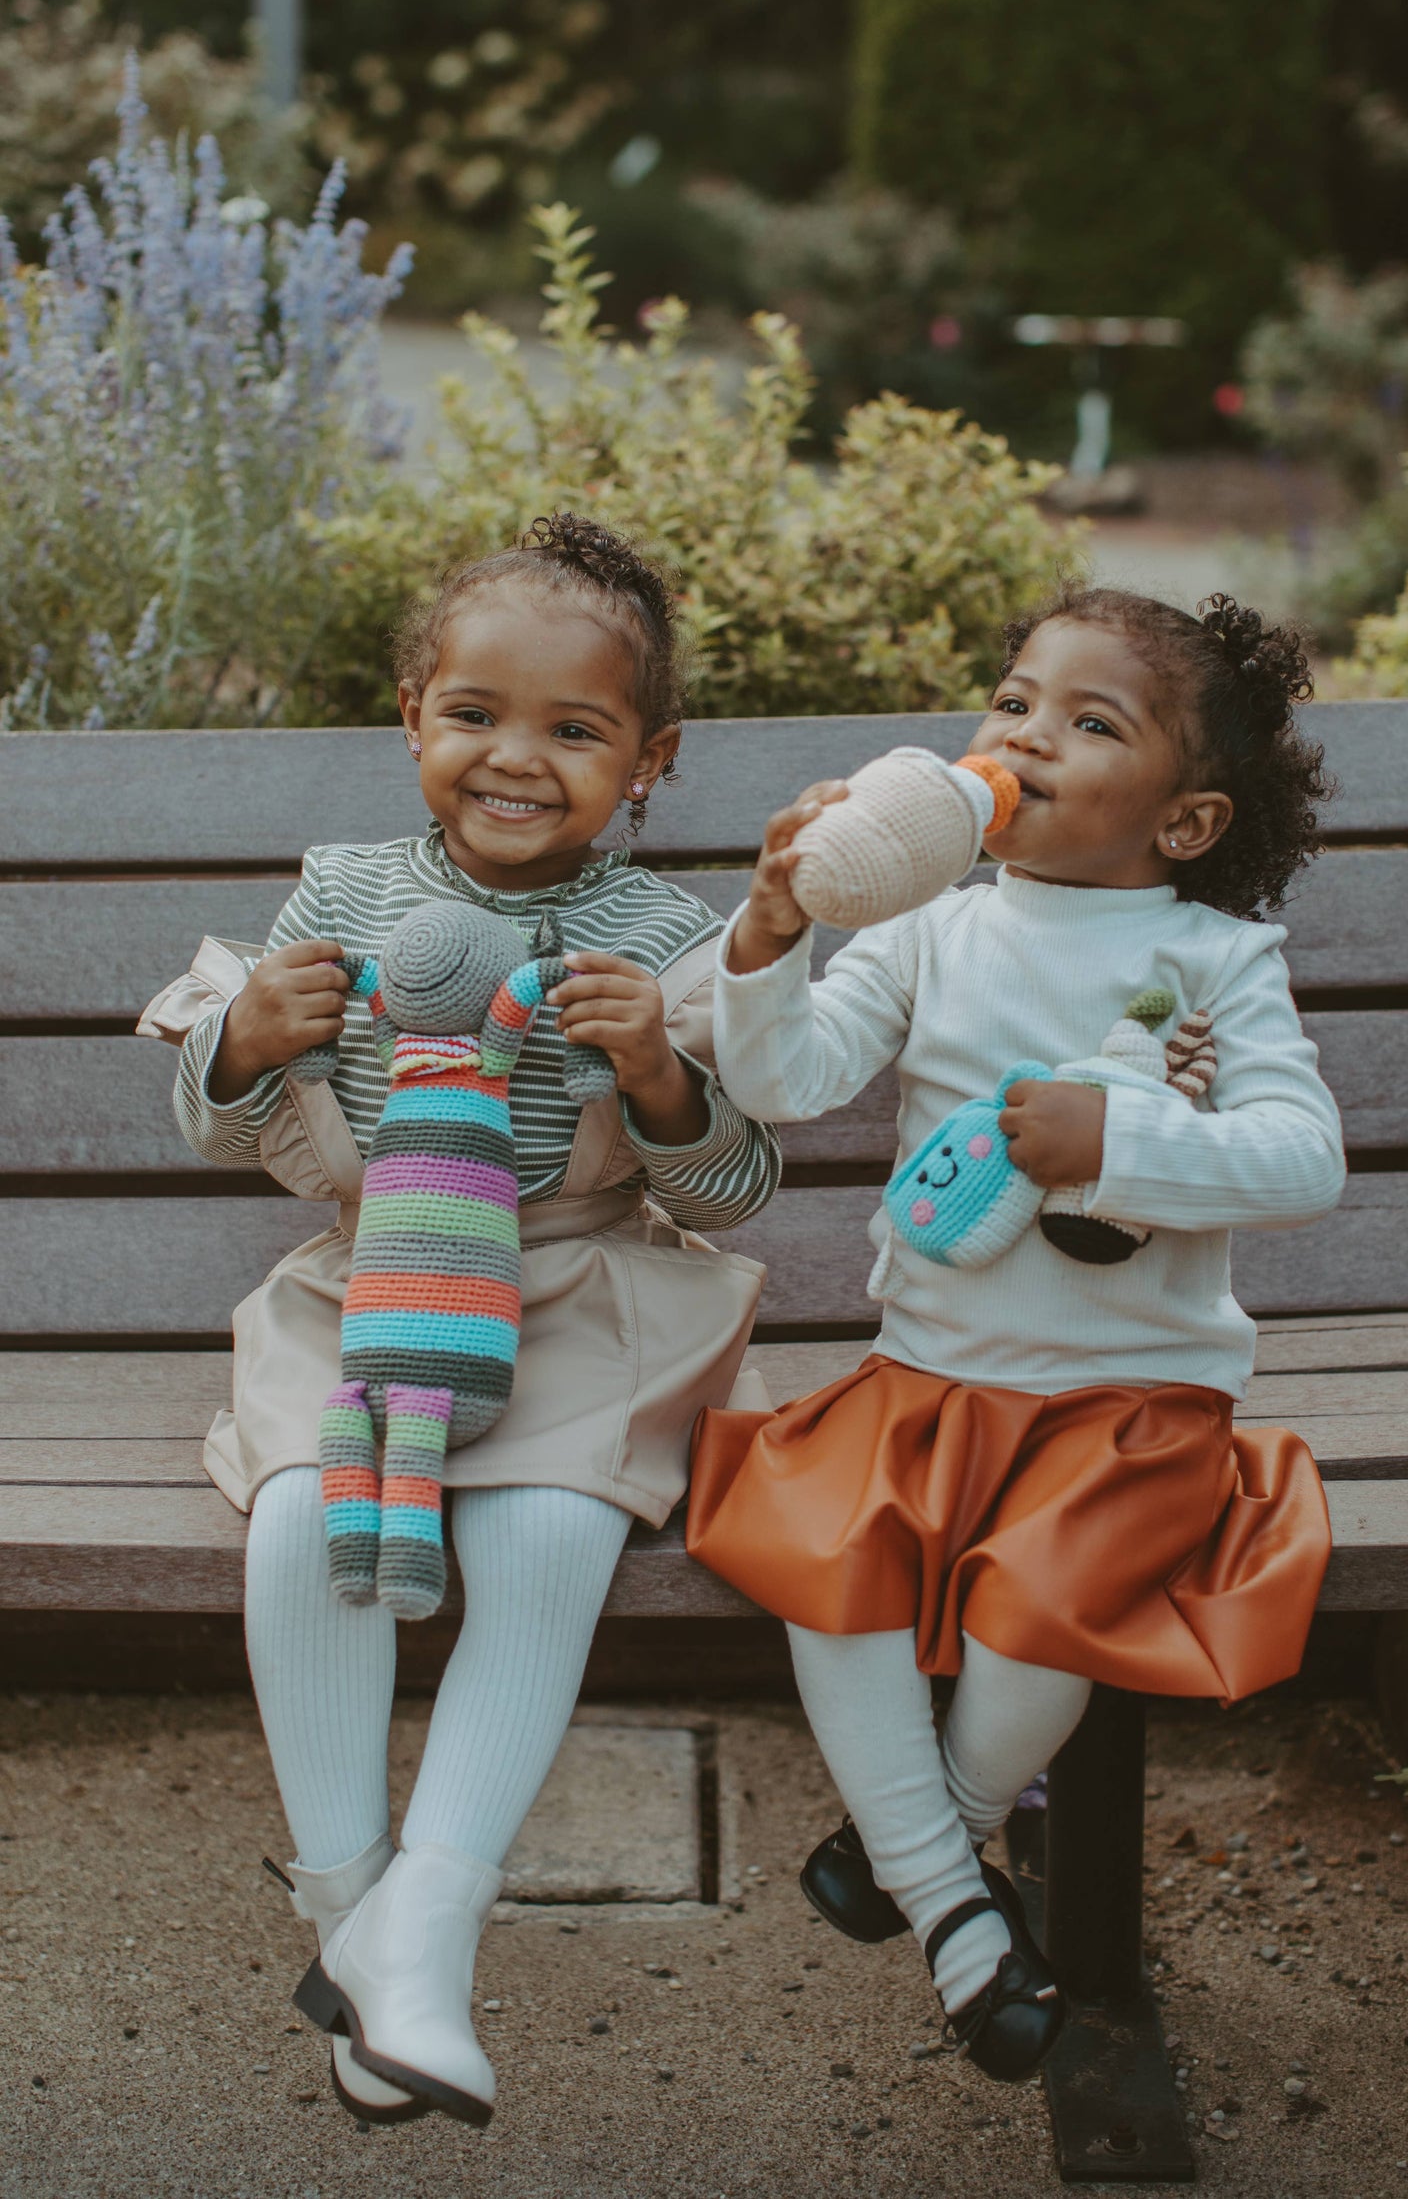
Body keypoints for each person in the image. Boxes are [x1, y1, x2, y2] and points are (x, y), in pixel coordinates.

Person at [150, 513, 779, 2129]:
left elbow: (729, 1192)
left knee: (552, 1542)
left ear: (651, 759)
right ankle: (356, 1914)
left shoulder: (667, 939)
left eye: (576, 728)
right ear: (413, 714)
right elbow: (223, 1128)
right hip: (362, 1292)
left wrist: (662, 1076)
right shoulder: (339, 890)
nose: (518, 756)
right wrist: (238, 1046)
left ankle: (435, 1900)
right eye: (476, 712)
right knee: (301, 1526)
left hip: (582, 1289)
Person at [687, 589, 1344, 2084]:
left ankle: (921, 1850)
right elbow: (788, 1081)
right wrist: (770, 928)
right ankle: (957, 1914)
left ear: (1183, 822)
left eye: (1088, 721)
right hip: (932, 1381)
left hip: (1132, 1404)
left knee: (1041, 1610)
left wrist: (1112, 1143)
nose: (1026, 735)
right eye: (1013, 698)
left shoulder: (1221, 959)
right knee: (825, 1570)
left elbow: (1305, 1162)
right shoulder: (928, 925)